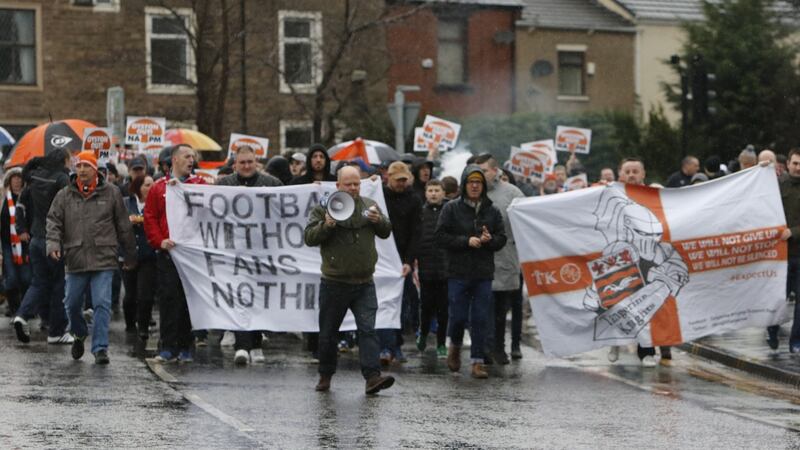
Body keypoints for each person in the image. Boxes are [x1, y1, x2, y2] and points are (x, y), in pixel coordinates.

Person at [304, 166, 395, 394]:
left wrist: (379, 220)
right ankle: (325, 376)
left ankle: (372, 377)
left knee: (368, 330)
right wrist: (326, 226)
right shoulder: (323, 208)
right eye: (348, 184)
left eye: (357, 184)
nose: (354, 188)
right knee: (328, 333)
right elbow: (309, 237)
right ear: (338, 186)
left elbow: (386, 231)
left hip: (365, 282)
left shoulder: (369, 205)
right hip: (335, 283)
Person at [46, 151, 137, 364]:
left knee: (102, 304)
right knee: (71, 304)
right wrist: (53, 244)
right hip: (75, 257)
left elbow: (123, 226)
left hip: (104, 258)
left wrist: (130, 254)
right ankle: (79, 333)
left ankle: (100, 348)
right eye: (79, 166)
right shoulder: (64, 195)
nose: (82, 170)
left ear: (96, 169)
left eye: (87, 166)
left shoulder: (112, 192)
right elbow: (53, 221)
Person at [436, 166, 507, 379]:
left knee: (480, 317)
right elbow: (440, 237)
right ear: (464, 184)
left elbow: (501, 238)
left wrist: (489, 240)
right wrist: (466, 241)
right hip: (458, 272)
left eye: (478, 182)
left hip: (483, 272)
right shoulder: (451, 208)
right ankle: (455, 347)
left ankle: (477, 361)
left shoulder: (492, 210)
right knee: (458, 317)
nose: (475, 186)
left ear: (483, 186)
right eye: (471, 182)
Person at [216, 146, 282, 364]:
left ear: (256, 162)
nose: (246, 166)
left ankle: (256, 344)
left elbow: (289, 204)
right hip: (234, 253)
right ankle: (242, 346)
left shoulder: (272, 183)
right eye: (242, 162)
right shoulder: (224, 185)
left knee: (258, 299)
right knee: (239, 298)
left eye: (250, 162)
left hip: (263, 252)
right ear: (235, 164)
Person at [144, 145, 206, 363]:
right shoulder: (159, 188)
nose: (191, 160)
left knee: (189, 301)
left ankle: (186, 345)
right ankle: (168, 346)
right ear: (175, 160)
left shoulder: (200, 185)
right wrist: (159, 241)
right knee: (169, 299)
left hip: (192, 255)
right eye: (187, 156)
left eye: (193, 157)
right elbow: (150, 217)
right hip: (169, 254)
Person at [12, 148, 72, 345]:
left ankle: (22, 315)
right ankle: (57, 331)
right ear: (64, 160)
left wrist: (39, 159)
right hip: (54, 240)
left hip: (36, 239)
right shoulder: (62, 178)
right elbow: (70, 206)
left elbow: (24, 177)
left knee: (38, 282)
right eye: (70, 160)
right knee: (58, 285)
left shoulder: (35, 177)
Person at [477, 155, 525, 363]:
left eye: (484, 170)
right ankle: (485, 347)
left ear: (495, 171)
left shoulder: (512, 193)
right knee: (482, 306)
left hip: (505, 258)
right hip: (478, 260)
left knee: (500, 308)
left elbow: (526, 221)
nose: (480, 175)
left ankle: (499, 347)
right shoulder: (471, 191)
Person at [378, 161, 421, 364]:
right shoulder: (379, 195)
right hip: (382, 257)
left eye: (404, 180)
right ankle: (386, 347)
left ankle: (396, 343)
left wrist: (409, 261)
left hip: (402, 259)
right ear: (389, 178)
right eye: (398, 180)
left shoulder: (413, 199)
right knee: (384, 304)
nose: (401, 184)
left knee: (402, 307)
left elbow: (416, 232)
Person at [767, 149, 800, 352]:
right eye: (795, 163)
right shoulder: (777, 185)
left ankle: (796, 342)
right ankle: (772, 330)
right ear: (788, 164)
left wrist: (793, 232)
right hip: (780, 255)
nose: (798, 168)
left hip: (799, 253)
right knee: (779, 298)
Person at [121, 175, 157, 342]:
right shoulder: (126, 203)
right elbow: (117, 222)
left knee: (145, 294)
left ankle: (143, 326)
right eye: (147, 185)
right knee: (130, 294)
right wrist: (128, 222)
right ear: (138, 187)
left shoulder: (156, 203)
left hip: (148, 253)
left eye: (152, 185)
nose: (151, 188)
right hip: (129, 253)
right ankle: (130, 324)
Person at [415, 180, 449, 358]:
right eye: (430, 190)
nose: (434, 194)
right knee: (426, 306)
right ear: (426, 193)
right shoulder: (420, 213)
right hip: (426, 266)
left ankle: (441, 343)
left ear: (443, 193)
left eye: (437, 190)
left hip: (445, 268)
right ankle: (423, 333)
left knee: (444, 309)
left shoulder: (449, 212)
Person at [1, 168, 31, 318]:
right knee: (11, 279)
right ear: (9, 180)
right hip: (7, 244)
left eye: (20, 178)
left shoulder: (28, 197)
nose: (17, 181)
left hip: (25, 243)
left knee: (26, 278)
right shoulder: (3, 198)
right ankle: (14, 308)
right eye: (15, 178)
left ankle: (25, 310)